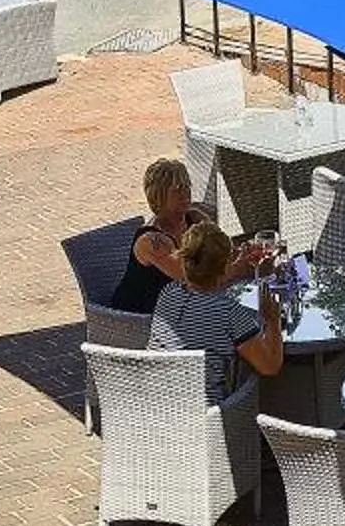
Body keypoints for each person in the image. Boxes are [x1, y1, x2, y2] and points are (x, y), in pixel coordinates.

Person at [148, 222, 284, 402]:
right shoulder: (230, 313)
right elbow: (270, 366)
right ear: (225, 266)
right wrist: (273, 321)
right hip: (205, 418)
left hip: (153, 407)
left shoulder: (168, 292)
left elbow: (205, 282)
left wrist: (238, 267)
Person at [110, 158, 205, 316]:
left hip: (180, 305)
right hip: (140, 318)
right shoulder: (151, 240)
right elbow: (189, 277)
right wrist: (237, 267)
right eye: (177, 190)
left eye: (187, 187)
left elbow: (223, 250)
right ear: (158, 196)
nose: (185, 194)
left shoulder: (195, 218)